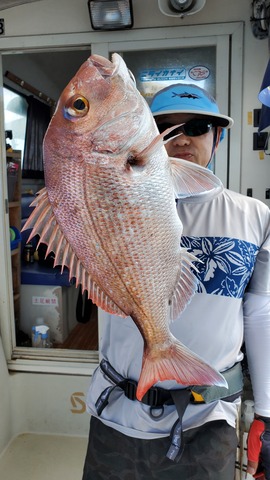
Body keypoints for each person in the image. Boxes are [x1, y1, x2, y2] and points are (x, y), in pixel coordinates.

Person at [82, 83, 270, 480]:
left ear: (217, 138)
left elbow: (260, 312)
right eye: (164, 127)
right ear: (144, 138)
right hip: (117, 411)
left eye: (198, 126)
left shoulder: (256, 216)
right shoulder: (110, 204)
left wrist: (267, 412)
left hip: (208, 419)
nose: (181, 137)